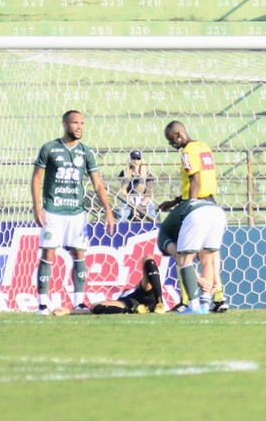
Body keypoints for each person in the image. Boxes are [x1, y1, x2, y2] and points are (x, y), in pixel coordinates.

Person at [31, 110, 116, 315]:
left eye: (82, 123)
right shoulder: (49, 148)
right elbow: (36, 178)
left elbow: (97, 183)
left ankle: (78, 302)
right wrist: (37, 206)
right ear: (64, 124)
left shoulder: (86, 152)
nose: (79, 127)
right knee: (48, 253)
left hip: (77, 212)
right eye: (75, 123)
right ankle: (42, 303)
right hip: (53, 211)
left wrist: (108, 210)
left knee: (79, 253)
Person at [159, 120, 227, 315]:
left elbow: (195, 180)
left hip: (196, 208)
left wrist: (191, 204)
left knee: (183, 255)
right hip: (212, 205)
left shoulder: (187, 152)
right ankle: (208, 302)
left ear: (179, 135)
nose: (171, 144)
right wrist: (174, 202)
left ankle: (192, 303)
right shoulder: (204, 147)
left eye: (171, 139)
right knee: (208, 256)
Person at [52, 257, 166, 315]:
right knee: (95, 307)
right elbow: (90, 311)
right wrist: (68, 311)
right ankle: (141, 308)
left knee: (148, 259)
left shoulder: (133, 292)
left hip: (139, 295)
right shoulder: (123, 298)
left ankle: (159, 303)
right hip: (130, 303)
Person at [115, 149, 157, 221]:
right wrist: (132, 207)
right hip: (128, 201)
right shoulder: (124, 173)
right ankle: (120, 230)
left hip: (143, 201)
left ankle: (155, 229)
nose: (135, 161)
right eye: (133, 158)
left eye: (138, 158)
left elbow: (148, 195)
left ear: (141, 160)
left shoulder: (147, 174)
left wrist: (139, 208)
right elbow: (123, 192)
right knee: (122, 213)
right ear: (130, 160)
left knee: (151, 212)